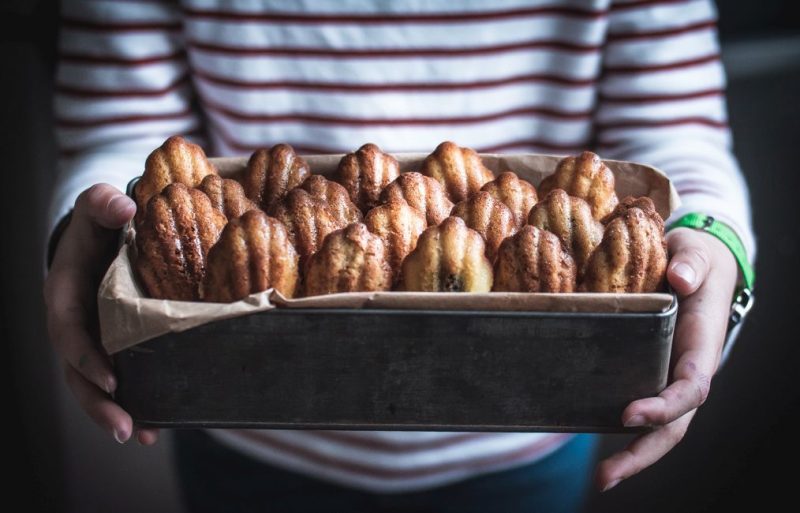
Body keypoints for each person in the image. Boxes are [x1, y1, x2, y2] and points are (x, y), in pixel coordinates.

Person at [44, 1, 754, 511]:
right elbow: (126, 125)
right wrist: (90, 223)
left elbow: (672, 133)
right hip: (248, 418)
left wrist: (715, 244)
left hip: (524, 426)